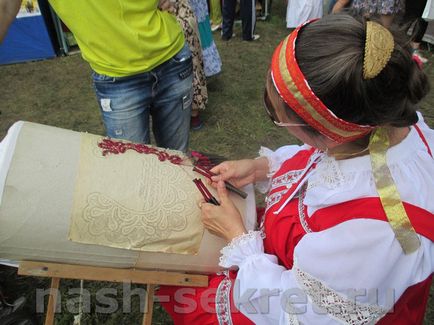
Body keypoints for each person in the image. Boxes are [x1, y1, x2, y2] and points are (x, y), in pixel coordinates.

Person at [158, 14, 434, 324]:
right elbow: (318, 157)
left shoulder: (380, 231)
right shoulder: (382, 117)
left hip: (299, 303)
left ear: (328, 129)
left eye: (278, 117)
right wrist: (261, 168)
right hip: (305, 265)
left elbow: (298, 312)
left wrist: (237, 237)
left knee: (181, 279)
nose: (277, 122)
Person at [0, 0, 193, 152]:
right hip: (117, 80)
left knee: (178, 161)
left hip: (172, 60)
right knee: (132, 171)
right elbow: (5, 7)